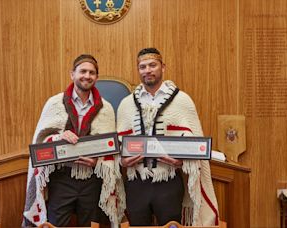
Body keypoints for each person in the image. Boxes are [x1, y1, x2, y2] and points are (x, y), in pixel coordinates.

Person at [117, 48, 219, 226]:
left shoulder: (182, 100)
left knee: (172, 225)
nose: (147, 70)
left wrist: (181, 161)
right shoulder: (126, 104)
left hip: (169, 181)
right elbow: (118, 144)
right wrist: (123, 162)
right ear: (138, 70)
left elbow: (193, 141)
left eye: (152, 65)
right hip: (136, 182)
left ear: (163, 67)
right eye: (142, 67)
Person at [23, 54, 125, 227]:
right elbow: (41, 139)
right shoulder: (54, 103)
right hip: (62, 178)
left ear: (96, 77)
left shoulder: (106, 108)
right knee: (56, 224)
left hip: (92, 180)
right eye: (82, 71)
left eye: (91, 72)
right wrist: (58, 137)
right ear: (72, 74)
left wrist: (97, 162)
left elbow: (111, 149)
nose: (87, 76)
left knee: (91, 225)